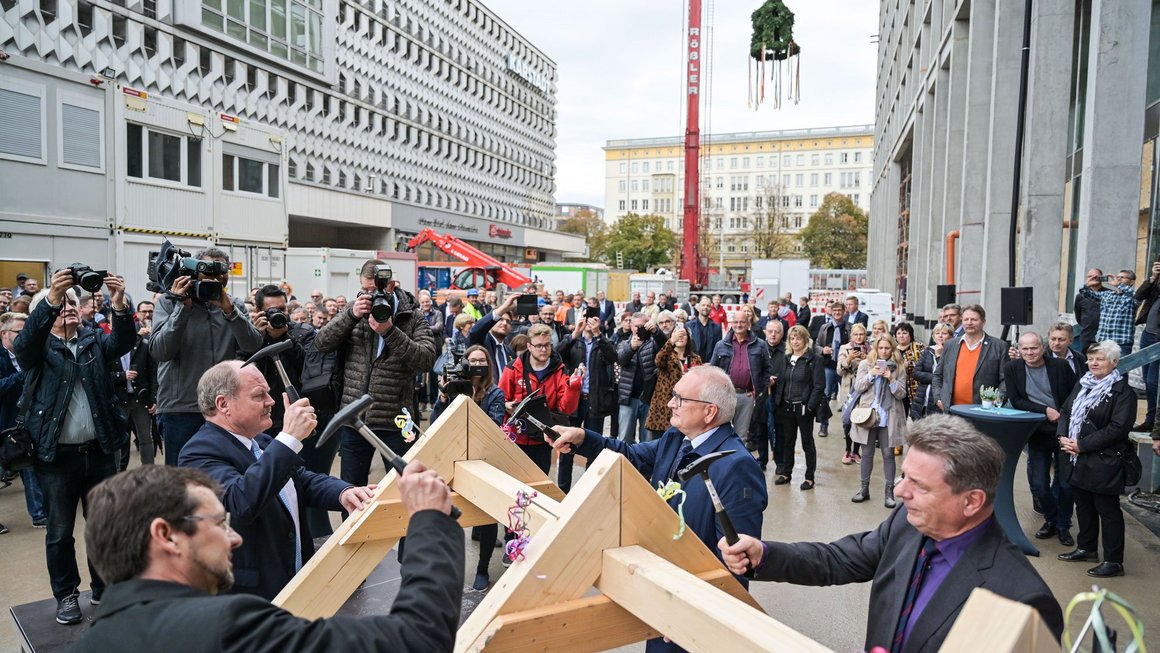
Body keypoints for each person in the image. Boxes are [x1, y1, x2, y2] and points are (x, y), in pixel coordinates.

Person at [720, 415, 1064, 652]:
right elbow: (841, 559)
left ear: (972, 501)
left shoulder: (1024, 604)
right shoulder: (909, 522)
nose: (899, 491)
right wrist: (766, 554)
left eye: (919, 485)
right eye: (904, 476)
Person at [72, 462, 463, 652]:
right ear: (166, 536)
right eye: (220, 523)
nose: (235, 538)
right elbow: (419, 639)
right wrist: (430, 521)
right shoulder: (230, 628)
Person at [549, 365, 767, 594]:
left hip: (692, 594)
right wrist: (583, 438)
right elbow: (631, 455)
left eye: (679, 399)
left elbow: (735, 562)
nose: (670, 404)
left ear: (709, 412)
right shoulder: (677, 437)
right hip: (659, 577)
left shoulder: (737, 467)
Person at [178, 361, 374, 599]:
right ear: (223, 404)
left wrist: (343, 493)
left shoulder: (260, 441)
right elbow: (239, 502)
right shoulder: (199, 451)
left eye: (268, 393)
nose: (270, 401)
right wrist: (289, 438)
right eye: (259, 395)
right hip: (254, 596)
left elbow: (300, 480)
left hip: (296, 580)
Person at [15, 270, 135, 625]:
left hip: (99, 452)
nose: (67, 308)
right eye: (59, 304)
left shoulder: (94, 340)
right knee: (59, 532)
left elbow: (123, 342)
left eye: (71, 302)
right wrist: (52, 297)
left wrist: (119, 306)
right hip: (56, 458)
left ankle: (103, 589)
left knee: (102, 526)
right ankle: (66, 595)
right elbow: (22, 346)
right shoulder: (38, 348)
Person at [315, 260, 436, 493]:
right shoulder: (354, 310)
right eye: (366, 290)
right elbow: (321, 344)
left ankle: (402, 531)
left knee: (404, 491)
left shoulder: (412, 316)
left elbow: (426, 360)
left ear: (391, 286)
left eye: (376, 290)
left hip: (397, 420)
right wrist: (350, 315)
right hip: (354, 419)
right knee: (351, 491)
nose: (371, 296)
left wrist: (389, 332)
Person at [150, 248, 263, 465]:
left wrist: (230, 312)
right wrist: (182, 307)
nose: (215, 277)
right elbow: (160, 351)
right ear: (194, 272)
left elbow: (252, 345)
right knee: (182, 481)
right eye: (208, 270)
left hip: (225, 406)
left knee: (225, 475)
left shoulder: (235, 305)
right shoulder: (169, 301)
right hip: (181, 408)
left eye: (221, 270)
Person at [430, 345, 504, 590]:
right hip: (454, 455)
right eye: (472, 360)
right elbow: (435, 423)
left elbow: (492, 428)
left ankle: (482, 569)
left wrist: (470, 397)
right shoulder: (453, 387)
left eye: (481, 360)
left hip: (484, 460)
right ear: (464, 363)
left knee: (487, 516)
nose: (476, 365)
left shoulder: (495, 394)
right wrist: (443, 396)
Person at [1058, 341, 1135, 577]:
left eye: (1099, 359)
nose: (1093, 363)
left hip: (1104, 460)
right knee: (1083, 505)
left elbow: (1118, 428)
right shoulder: (1083, 385)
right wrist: (1063, 437)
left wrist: (1081, 445)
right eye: (1091, 359)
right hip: (1076, 457)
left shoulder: (1124, 392)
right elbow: (1066, 411)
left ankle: (1113, 561)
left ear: (1114, 363)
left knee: (1107, 509)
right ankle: (1086, 548)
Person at [1005, 332, 1077, 547]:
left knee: (1065, 483)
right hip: (1037, 432)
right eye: (1025, 348)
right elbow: (1016, 400)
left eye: (1034, 348)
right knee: (1039, 485)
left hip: (1064, 431)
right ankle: (1052, 518)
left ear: (1043, 348)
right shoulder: (1012, 368)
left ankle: (1062, 525)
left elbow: (1076, 394)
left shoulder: (1060, 367)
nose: (1029, 352)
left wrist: (1062, 415)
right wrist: (1045, 410)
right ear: (1019, 349)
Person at [556, 316, 617, 491]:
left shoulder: (601, 342)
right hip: (574, 400)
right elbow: (558, 354)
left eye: (593, 319)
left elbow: (613, 357)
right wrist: (575, 332)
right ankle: (563, 490)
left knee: (593, 445)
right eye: (586, 318)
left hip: (594, 401)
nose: (589, 322)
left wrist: (599, 334)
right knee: (567, 445)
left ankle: (588, 489)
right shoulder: (574, 341)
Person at [850, 334, 908, 507]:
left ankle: (889, 492)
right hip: (868, 414)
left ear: (892, 349)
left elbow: (902, 393)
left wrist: (891, 379)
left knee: (888, 454)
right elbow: (858, 387)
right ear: (876, 348)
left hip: (888, 415)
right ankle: (864, 489)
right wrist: (871, 375)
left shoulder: (899, 367)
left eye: (887, 348)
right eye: (880, 348)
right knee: (866, 453)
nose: (884, 351)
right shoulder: (865, 364)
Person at [0, 312, 45, 528]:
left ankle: (38, 514)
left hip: (24, 423)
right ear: (4, 334)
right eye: (20, 333)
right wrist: (24, 375)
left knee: (28, 465)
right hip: (3, 421)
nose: (24, 337)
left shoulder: (30, 354)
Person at [772, 325, 827, 490]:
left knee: (807, 443)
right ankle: (786, 473)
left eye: (799, 338)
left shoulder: (814, 359)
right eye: (792, 338)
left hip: (803, 408)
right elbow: (783, 381)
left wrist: (809, 407)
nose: (795, 341)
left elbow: (819, 386)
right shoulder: (786, 358)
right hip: (786, 407)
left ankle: (809, 477)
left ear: (805, 340)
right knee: (788, 441)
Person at [710, 311, 774, 451]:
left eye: (742, 322)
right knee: (721, 433)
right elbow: (713, 370)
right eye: (736, 322)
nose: (739, 325)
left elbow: (767, 370)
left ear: (748, 324)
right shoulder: (721, 345)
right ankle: (721, 465)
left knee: (741, 436)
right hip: (725, 396)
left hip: (747, 397)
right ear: (731, 324)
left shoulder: (760, 345)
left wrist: (758, 390)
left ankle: (735, 467)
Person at [931, 304, 1008, 411]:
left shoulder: (999, 346)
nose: (969, 322)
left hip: (983, 411)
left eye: (974, 319)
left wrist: (997, 400)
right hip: (951, 409)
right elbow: (938, 375)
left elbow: (1005, 380)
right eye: (966, 319)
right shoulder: (950, 345)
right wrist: (938, 398)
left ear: (983, 322)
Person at [616, 313, 665, 444]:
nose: (639, 329)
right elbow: (620, 360)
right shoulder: (624, 343)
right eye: (636, 326)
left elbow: (666, 346)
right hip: (628, 397)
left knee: (647, 439)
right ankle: (625, 463)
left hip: (648, 398)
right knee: (624, 438)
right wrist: (631, 348)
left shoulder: (653, 342)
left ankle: (643, 464)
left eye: (642, 326)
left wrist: (656, 331)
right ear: (631, 327)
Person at [646, 325, 701, 438]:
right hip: (663, 406)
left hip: (685, 404)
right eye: (677, 335)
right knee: (659, 441)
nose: (680, 338)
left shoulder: (695, 358)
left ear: (688, 338)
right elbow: (658, 361)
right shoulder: (667, 355)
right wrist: (671, 341)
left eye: (683, 335)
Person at [1079, 269, 1138, 355]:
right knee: (1102, 367)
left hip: (1121, 342)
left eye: (1122, 277)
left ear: (1132, 282)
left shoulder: (1132, 297)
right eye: (1117, 277)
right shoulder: (1107, 294)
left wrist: (1119, 285)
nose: (1118, 279)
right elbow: (1085, 293)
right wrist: (1087, 284)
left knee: (1120, 367)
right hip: (1103, 341)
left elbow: (1137, 296)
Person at [755, 320, 786, 471]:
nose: (773, 334)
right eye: (770, 331)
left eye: (777, 331)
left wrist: (777, 380)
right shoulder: (759, 348)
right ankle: (762, 459)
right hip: (762, 395)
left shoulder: (787, 350)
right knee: (761, 429)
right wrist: (764, 380)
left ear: (782, 333)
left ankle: (780, 462)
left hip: (780, 396)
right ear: (765, 332)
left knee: (779, 430)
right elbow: (754, 370)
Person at [836, 323, 870, 464]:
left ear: (865, 335)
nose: (858, 337)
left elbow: (875, 367)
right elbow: (839, 370)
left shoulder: (871, 349)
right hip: (849, 388)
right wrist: (849, 359)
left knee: (860, 419)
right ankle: (847, 449)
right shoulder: (845, 348)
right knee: (847, 420)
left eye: (861, 334)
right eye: (855, 334)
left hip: (864, 389)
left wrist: (866, 359)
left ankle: (856, 451)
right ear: (851, 336)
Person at [1133, 260, 1160, 431]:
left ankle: (1153, 421)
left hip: (1158, 339)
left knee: (1153, 381)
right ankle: (1150, 419)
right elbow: (1138, 296)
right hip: (1148, 335)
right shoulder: (1157, 281)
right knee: (1146, 380)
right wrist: (1153, 277)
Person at [468, 292, 517, 383]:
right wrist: (502, 309)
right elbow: (475, 331)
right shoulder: (481, 342)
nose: (505, 323)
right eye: (500, 319)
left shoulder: (510, 353)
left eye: (508, 321)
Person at [912, 323, 952, 419]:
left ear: (951, 336)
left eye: (944, 333)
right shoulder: (928, 351)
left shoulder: (952, 352)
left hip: (939, 398)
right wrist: (935, 377)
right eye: (937, 333)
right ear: (933, 336)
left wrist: (939, 356)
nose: (940, 336)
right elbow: (916, 373)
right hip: (922, 398)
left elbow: (946, 376)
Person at [893, 322, 925, 419]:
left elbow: (925, 364)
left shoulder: (919, 347)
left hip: (915, 387)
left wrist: (910, 365)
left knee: (918, 418)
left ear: (910, 335)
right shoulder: (892, 349)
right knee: (899, 418)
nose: (901, 336)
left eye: (904, 333)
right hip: (899, 388)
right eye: (898, 333)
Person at [686, 298, 722, 364]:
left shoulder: (717, 328)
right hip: (693, 365)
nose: (705, 307)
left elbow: (718, 349)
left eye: (708, 306)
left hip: (709, 365)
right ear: (698, 308)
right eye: (703, 305)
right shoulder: (689, 326)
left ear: (711, 309)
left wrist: (711, 363)